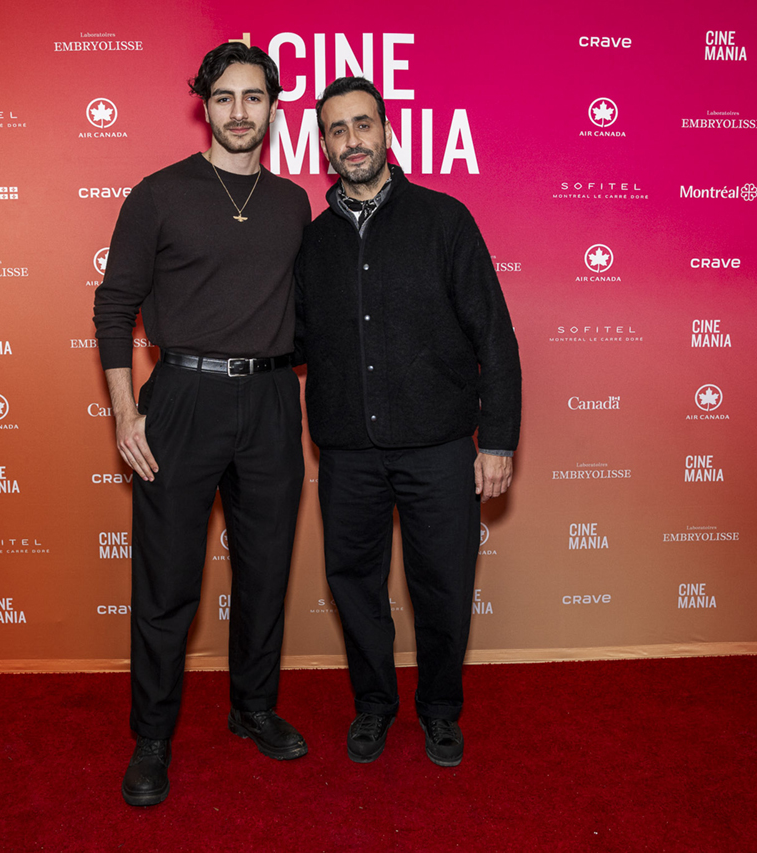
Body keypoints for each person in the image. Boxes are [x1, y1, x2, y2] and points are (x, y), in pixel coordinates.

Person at [93, 42, 312, 807]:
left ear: (273, 108)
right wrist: (126, 411)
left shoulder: (293, 203)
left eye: (254, 98)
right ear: (205, 105)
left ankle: (253, 707)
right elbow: (114, 306)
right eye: (224, 98)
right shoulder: (158, 194)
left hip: (272, 399)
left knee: (265, 568)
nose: (239, 112)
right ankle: (152, 737)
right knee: (167, 581)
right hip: (181, 398)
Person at [294, 76, 521, 767]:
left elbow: (496, 337)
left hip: (439, 449)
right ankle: (374, 705)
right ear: (325, 145)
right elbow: (296, 339)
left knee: (444, 585)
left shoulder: (444, 220)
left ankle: (441, 710)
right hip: (349, 454)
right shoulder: (313, 242)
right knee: (354, 585)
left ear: (387, 132)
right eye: (337, 129)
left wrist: (499, 439)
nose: (352, 140)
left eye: (363, 124)